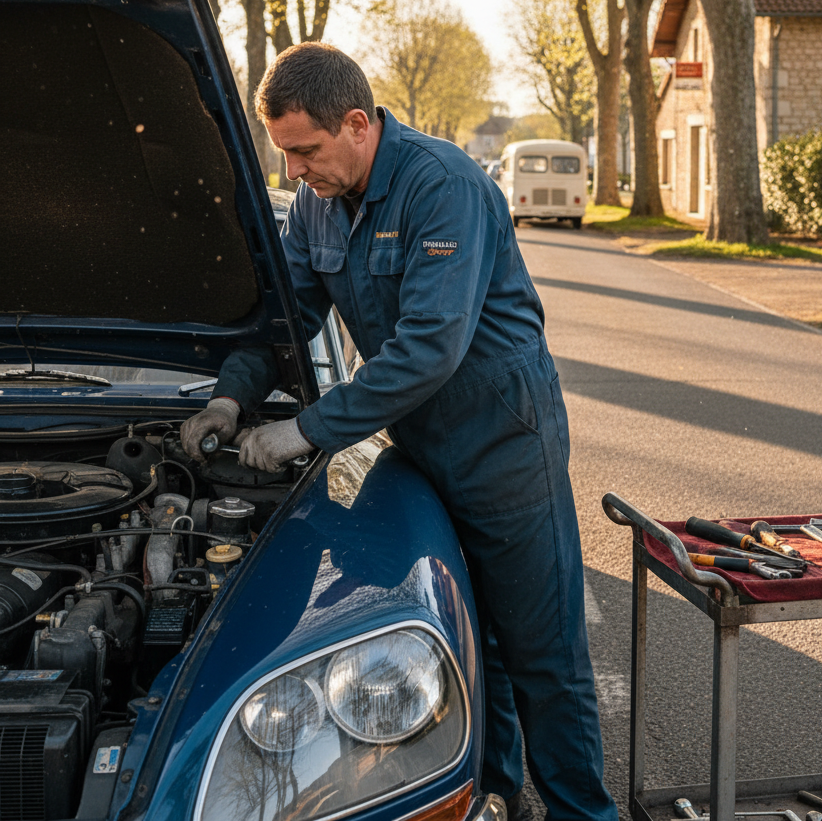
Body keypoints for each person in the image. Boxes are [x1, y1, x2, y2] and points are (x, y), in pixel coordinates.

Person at [181, 43, 618, 821]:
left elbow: (428, 350)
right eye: (284, 155)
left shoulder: (443, 185)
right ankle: (493, 796)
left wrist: (306, 432)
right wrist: (228, 400)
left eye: (305, 151)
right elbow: (288, 321)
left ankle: (584, 813)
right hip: (413, 443)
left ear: (358, 123)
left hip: (501, 441)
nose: (294, 172)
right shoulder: (316, 203)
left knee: (541, 651)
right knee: (470, 640)